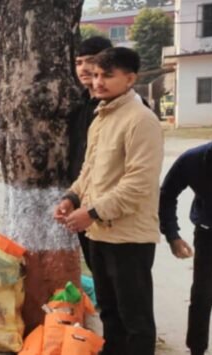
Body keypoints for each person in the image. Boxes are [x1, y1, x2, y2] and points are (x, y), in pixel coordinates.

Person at [54, 47, 163, 355]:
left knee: (135, 318)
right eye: (97, 74)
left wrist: (92, 212)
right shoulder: (101, 116)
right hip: (99, 232)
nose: (98, 82)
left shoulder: (142, 120)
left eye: (108, 76)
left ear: (130, 79)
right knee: (110, 311)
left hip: (128, 236)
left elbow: (138, 183)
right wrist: (71, 198)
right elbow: (88, 171)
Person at [158, 140, 212, 355]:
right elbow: (167, 193)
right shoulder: (194, 160)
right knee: (203, 295)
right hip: (209, 233)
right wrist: (172, 234)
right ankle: (197, 350)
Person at [68, 36, 113, 269]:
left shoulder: (127, 110)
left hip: (114, 212)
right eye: (78, 62)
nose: (83, 68)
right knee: (100, 277)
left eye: (90, 61)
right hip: (84, 206)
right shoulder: (80, 108)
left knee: (123, 286)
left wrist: (96, 209)